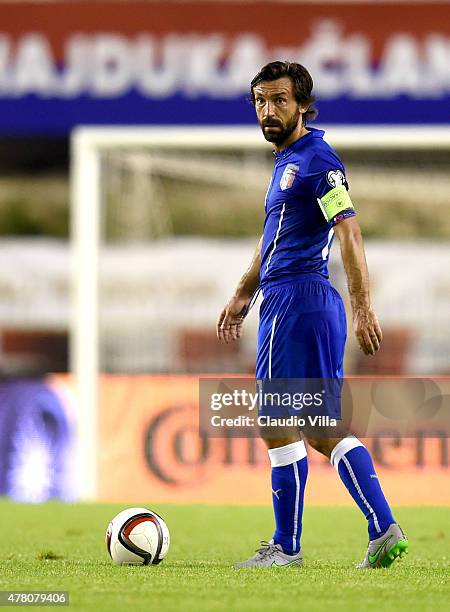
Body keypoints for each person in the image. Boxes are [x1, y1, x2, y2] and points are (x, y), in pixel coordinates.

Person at [216, 61, 408, 569]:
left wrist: (366, 308)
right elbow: (271, 240)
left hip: (295, 301)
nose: (268, 110)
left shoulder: (318, 161)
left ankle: (287, 547)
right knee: (319, 426)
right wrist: (241, 293)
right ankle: (380, 526)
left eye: (279, 100)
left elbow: (350, 231)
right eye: (260, 100)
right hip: (303, 300)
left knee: (277, 420)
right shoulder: (289, 162)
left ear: (303, 104)